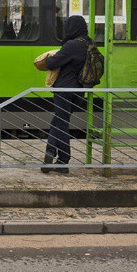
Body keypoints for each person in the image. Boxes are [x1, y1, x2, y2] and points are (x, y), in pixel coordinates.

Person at [41, 15, 92, 174]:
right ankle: (50, 151)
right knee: (58, 121)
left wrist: (51, 56)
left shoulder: (71, 45)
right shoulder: (89, 44)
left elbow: (51, 63)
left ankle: (63, 161)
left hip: (64, 90)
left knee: (61, 124)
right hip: (79, 91)